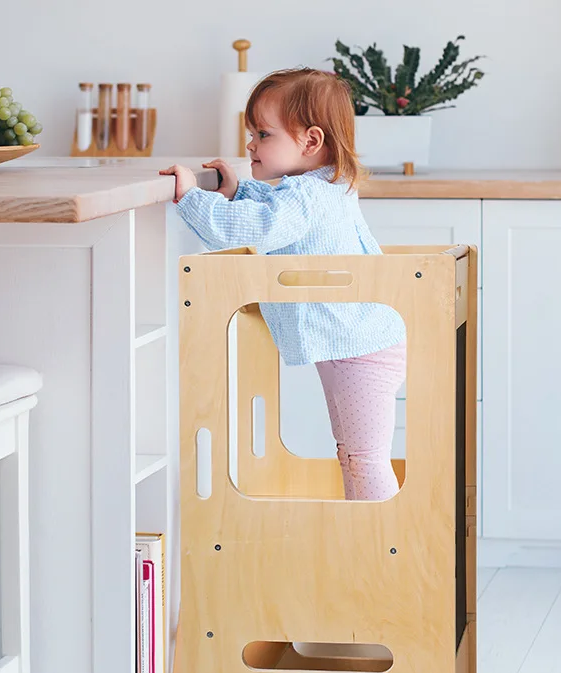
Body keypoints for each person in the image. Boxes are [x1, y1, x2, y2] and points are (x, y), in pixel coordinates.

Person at [161, 68, 406, 501]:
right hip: (357, 342)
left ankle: (381, 548)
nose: (250, 144)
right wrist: (239, 192)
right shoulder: (325, 187)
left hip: (361, 349)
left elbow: (252, 229)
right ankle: (369, 543)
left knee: (363, 456)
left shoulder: (308, 197)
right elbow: (278, 214)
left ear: (311, 142)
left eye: (263, 133)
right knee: (354, 452)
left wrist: (191, 197)